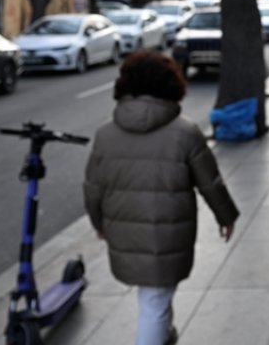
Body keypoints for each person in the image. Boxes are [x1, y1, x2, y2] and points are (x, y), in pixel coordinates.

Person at [84, 51, 239, 345]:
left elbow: (92, 188)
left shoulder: (105, 134)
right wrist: (226, 215)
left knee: (155, 296)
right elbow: (210, 183)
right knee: (155, 300)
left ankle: (165, 335)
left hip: (125, 230)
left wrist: (99, 223)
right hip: (169, 233)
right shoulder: (185, 133)